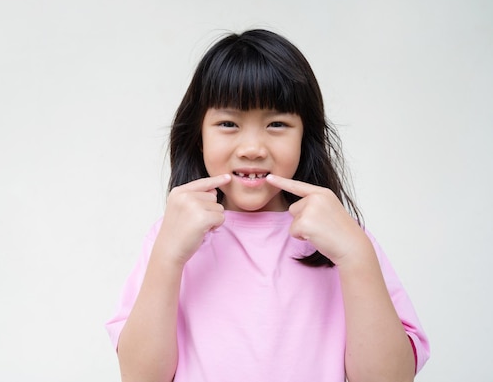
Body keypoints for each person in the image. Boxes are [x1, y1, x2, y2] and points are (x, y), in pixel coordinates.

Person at [105, 29, 429, 382]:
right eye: (228, 124)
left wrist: (355, 256)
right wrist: (168, 256)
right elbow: (139, 376)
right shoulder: (169, 238)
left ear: (305, 137)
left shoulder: (343, 239)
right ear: (198, 137)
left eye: (277, 124)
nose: (253, 148)